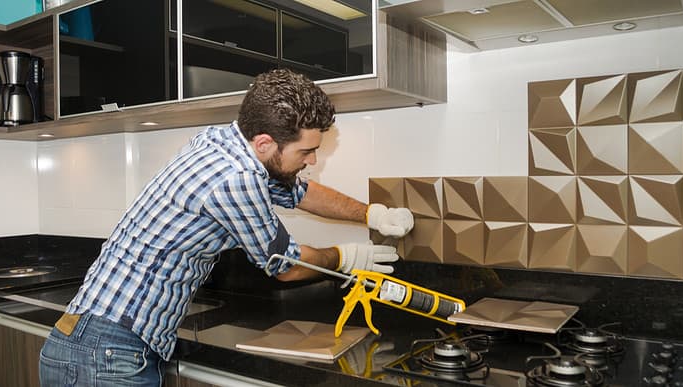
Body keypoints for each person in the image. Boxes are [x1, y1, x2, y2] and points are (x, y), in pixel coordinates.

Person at [38, 68, 414, 387]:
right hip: (106, 355)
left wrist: (372, 214)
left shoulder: (222, 142)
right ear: (265, 142)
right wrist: (347, 258)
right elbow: (285, 265)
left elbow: (297, 190)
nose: (313, 159)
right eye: (306, 151)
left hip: (92, 344)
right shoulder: (233, 178)